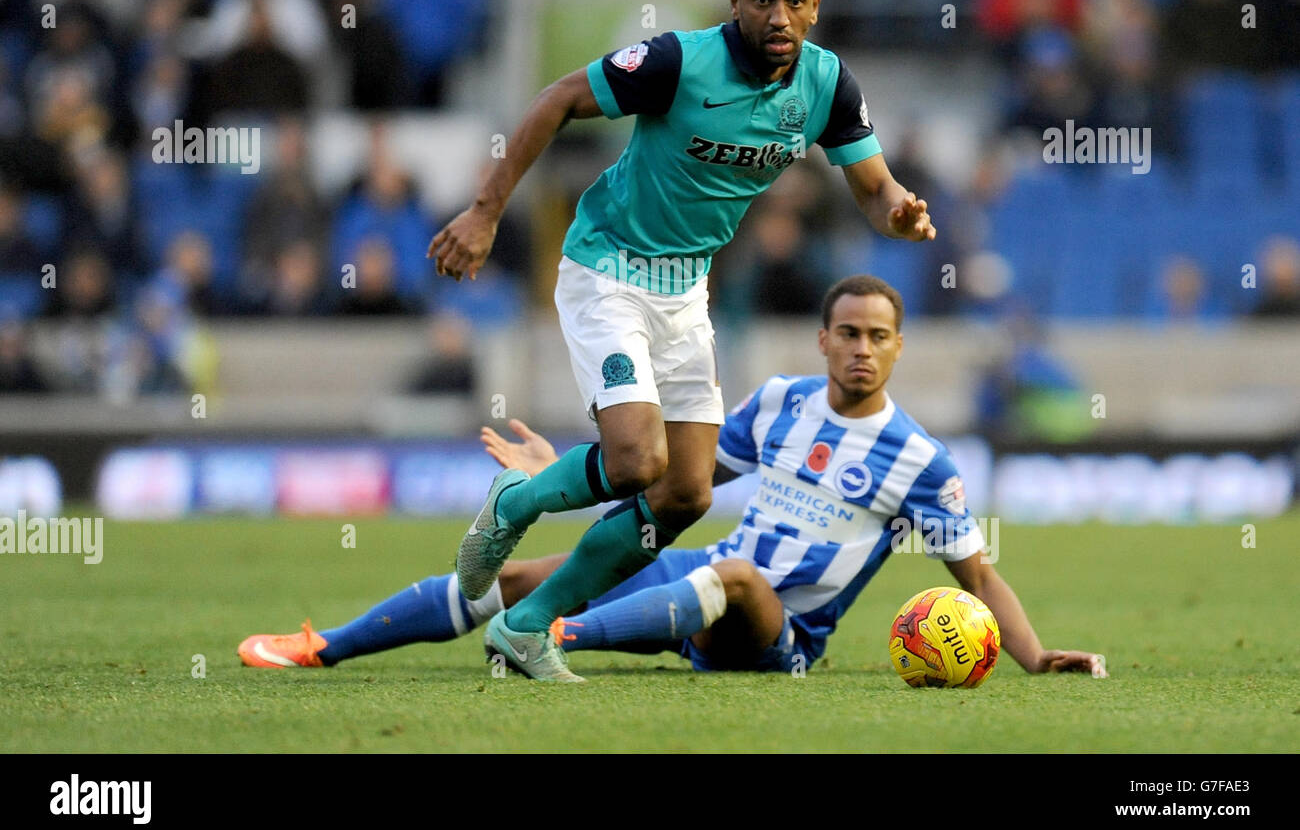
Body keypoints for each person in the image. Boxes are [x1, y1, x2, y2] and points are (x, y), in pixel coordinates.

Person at [426, 0, 936, 680]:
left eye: (796, 1)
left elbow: (873, 185)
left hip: (686, 287)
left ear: (817, 7)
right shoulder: (675, 62)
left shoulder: (827, 85)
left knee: (685, 492)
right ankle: (518, 503)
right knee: (635, 460)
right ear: (737, 0)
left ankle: (526, 627)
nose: (778, 16)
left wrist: (897, 210)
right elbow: (559, 98)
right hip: (607, 267)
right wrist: (485, 212)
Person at [238, 276, 1104, 681]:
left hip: (773, 633)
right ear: (823, 340)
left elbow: (978, 575)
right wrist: (563, 474)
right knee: (514, 578)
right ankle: (325, 647)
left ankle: (555, 642)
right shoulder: (779, 404)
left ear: (900, 347)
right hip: (687, 575)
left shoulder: (922, 462)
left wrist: (1031, 656)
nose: (862, 348)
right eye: (848, 333)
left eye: (879, 336)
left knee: (734, 576)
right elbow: (676, 480)